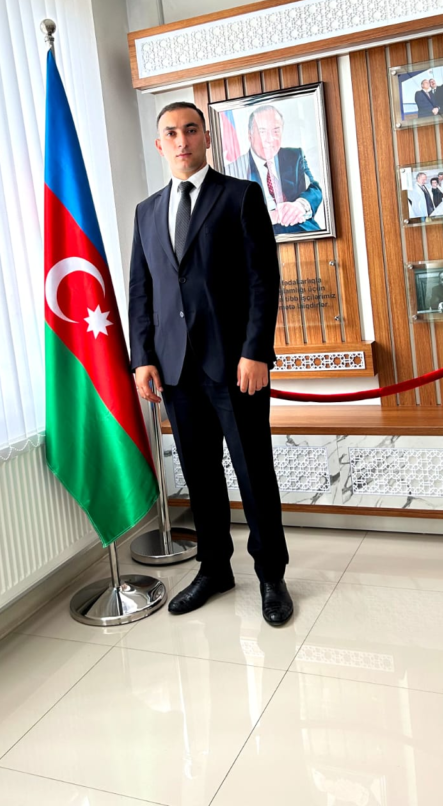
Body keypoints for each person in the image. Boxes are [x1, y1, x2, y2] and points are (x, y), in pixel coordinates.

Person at [129, 101, 292, 626]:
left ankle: (271, 575)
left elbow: (262, 280)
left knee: (253, 472)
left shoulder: (240, 196)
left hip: (236, 366)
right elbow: (142, 290)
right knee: (200, 475)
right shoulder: (146, 212)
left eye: (191, 130)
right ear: (160, 144)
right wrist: (142, 357)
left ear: (205, 138)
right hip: (176, 370)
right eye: (171, 133)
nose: (182, 140)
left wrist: (256, 351)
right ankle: (215, 568)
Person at [226, 104, 322, 237]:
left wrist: (300, 205)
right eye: (262, 132)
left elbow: (314, 189)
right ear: (249, 135)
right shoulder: (234, 170)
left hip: (306, 232)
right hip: (260, 239)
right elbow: (231, 216)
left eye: (276, 131)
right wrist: (272, 216)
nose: (270, 139)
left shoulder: (295, 156)